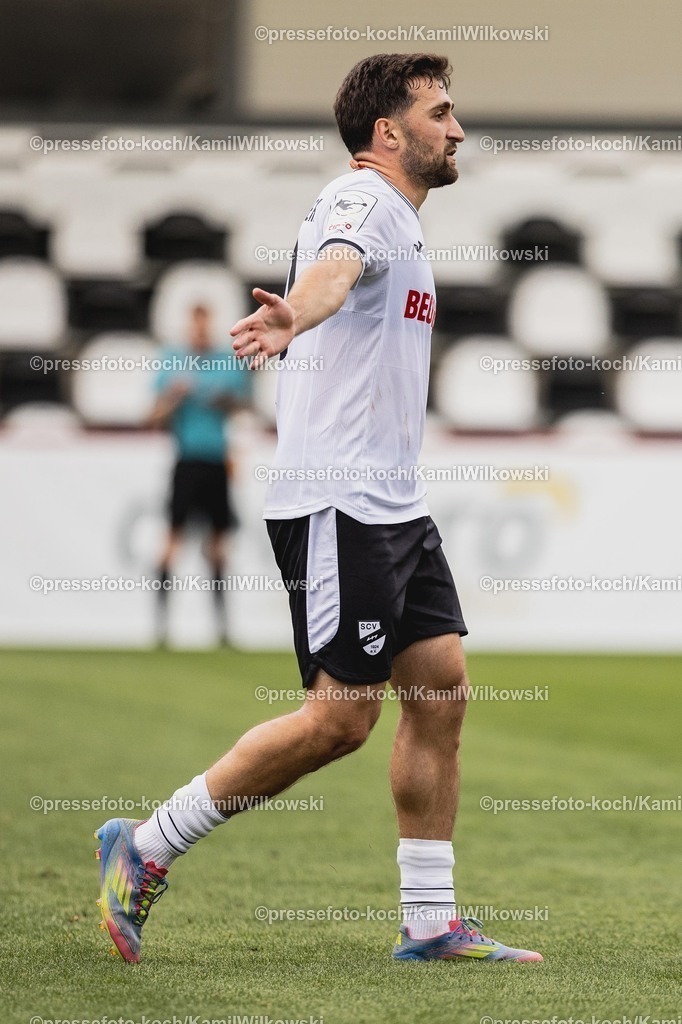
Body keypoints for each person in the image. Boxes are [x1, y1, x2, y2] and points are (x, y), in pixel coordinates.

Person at [95, 53, 542, 965]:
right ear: (389, 132)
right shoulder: (363, 202)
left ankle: (429, 922)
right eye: (441, 112)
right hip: (337, 502)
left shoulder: (406, 223)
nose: (456, 129)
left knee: (441, 688)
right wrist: (295, 315)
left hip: (392, 506)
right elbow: (333, 271)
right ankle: (143, 846)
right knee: (341, 719)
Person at [148, 303, 250, 647]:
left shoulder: (227, 361)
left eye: (206, 325)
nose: (201, 331)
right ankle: (161, 630)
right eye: (196, 325)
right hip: (188, 462)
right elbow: (154, 417)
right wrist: (175, 395)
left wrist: (221, 400)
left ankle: (222, 630)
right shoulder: (174, 361)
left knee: (219, 547)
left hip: (217, 462)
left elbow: (242, 405)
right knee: (172, 543)